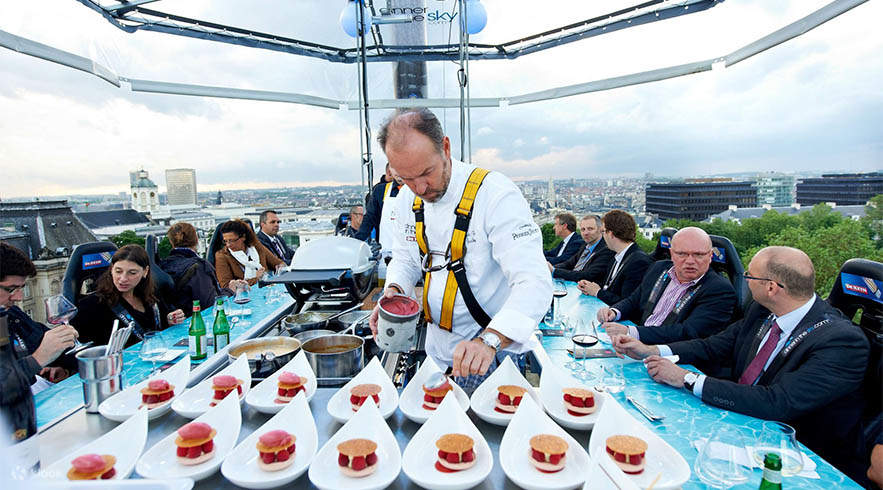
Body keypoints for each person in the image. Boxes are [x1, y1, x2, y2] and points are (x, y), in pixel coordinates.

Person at [612, 246, 869, 483]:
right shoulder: (762, 310)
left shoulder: (842, 341)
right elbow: (714, 345)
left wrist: (687, 378)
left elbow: (777, 402)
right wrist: (651, 350)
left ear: (771, 287)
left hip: (796, 459)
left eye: (750, 276)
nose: (744, 280)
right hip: (739, 422)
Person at [368, 108, 553, 390]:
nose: (420, 188)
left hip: (490, 351)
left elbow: (533, 281)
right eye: (406, 178)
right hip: (437, 349)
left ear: (445, 147)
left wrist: (490, 339)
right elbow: (406, 258)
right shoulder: (407, 199)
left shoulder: (495, 194)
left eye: (426, 173)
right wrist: (394, 291)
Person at [598, 227, 736, 343]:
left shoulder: (720, 290)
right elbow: (635, 299)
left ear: (710, 256)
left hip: (671, 356)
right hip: (637, 342)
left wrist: (631, 332)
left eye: (698, 255)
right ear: (671, 254)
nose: (690, 261)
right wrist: (614, 311)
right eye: (682, 254)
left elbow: (688, 333)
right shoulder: (658, 268)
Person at [72, 245, 186, 348]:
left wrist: (170, 320)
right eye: (118, 271)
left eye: (132, 273)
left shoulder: (152, 295)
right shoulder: (92, 305)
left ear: (145, 272)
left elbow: (158, 327)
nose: (123, 279)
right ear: (111, 269)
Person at [0, 242, 78, 384]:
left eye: (21, 288)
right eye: (11, 289)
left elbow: (46, 342)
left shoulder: (12, 314)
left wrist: (65, 368)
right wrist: (37, 360)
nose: (19, 297)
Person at [577, 209, 651, 305]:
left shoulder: (638, 262)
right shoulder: (618, 255)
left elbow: (628, 303)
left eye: (603, 232)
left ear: (611, 234)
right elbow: (609, 287)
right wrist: (589, 287)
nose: (603, 236)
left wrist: (597, 292)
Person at [159, 222, 230, 316]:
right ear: (196, 239)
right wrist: (230, 290)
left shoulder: (162, 266)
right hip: (198, 320)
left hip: (177, 320)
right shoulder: (199, 267)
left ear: (172, 242)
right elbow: (210, 304)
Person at [214, 219, 284, 289]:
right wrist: (257, 279)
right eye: (225, 241)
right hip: (244, 294)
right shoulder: (222, 256)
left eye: (232, 240)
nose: (228, 245)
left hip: (268, 289)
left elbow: (279, 263)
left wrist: (280, 268)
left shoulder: (257, 247)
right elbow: (226, 286)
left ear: (243, 237)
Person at [549, 214, 614, 283]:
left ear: (600, 229)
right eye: (583, 229)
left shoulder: (606, 249)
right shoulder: (585, 245)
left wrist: (554, 271)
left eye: (590, 229)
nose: (586, 233)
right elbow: (569, 264)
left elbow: (587, 275)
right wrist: (549, 268)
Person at [355, 163, 403, 250]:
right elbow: (369, 218)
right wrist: (355, 242)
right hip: (387, 250)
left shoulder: (419, 191)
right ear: (390, 171)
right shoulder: (380, 190)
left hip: (415, 252)